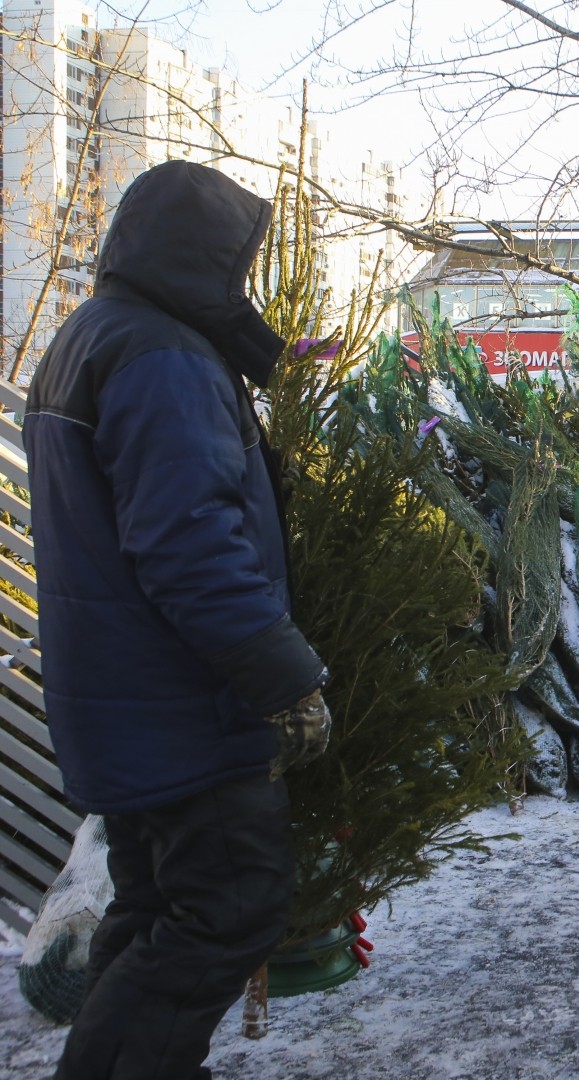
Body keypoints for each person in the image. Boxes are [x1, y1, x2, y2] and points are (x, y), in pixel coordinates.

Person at [24, 161, 331, 1079]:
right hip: (183, 706)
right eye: (236, 261)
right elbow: (188, 544)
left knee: (156, 909)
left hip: (123, 700)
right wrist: (286, 679)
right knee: (227, 909)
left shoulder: (89, 334)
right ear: (199, 257)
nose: (243, 282)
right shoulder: (162, 356)